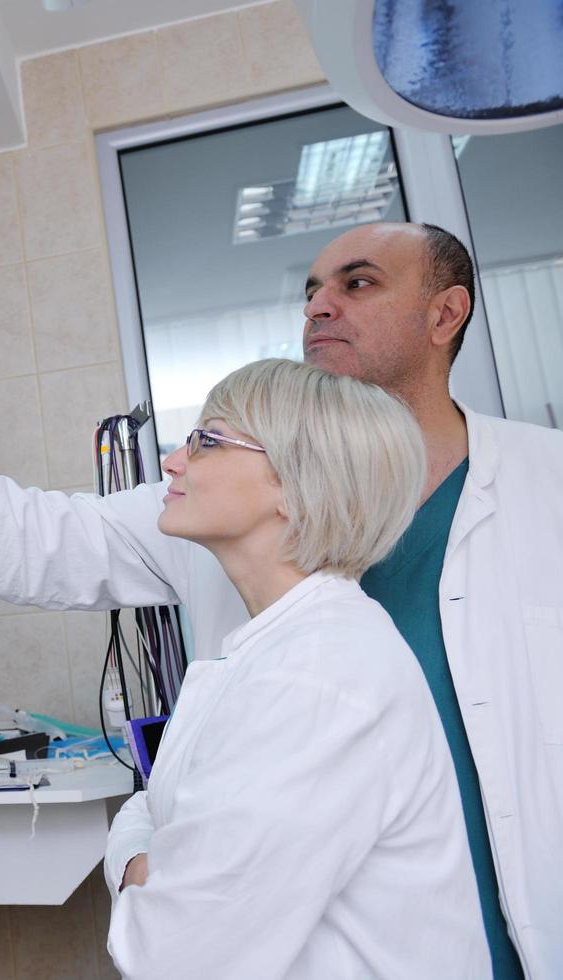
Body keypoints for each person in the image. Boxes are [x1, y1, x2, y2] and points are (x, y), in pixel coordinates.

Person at [0, 222, 563, 978]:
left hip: (519, 915)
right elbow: (48, 535)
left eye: (357, 283)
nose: (319, 305)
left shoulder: (546, 485)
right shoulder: (238, 528)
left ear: (446, 312)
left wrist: (140, 845)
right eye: (311, 289)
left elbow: (171, 942)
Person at [113, 357, 486, 976]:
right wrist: (149, 859)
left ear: (295, 482)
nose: (173, 462)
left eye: (206, 441)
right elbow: (158, 818)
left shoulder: (318, 675)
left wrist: (136, 860)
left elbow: (175, 954)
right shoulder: (278, 648)